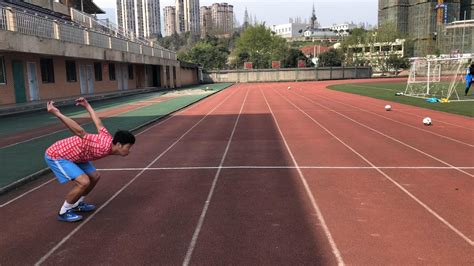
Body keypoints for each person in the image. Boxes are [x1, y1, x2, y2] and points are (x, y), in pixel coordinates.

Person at [45, 97, 135, 222]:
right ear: (119, 145)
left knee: (95, 176)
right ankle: (64, 211)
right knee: (84, 182)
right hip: (58, 154)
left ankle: (77, 204)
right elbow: (80, 131)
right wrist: (57, 113)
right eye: (128, 147)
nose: (129, 150)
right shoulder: (102, 146)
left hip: (78, 156)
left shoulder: (109, 139)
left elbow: (98, 124)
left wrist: (87, 106)